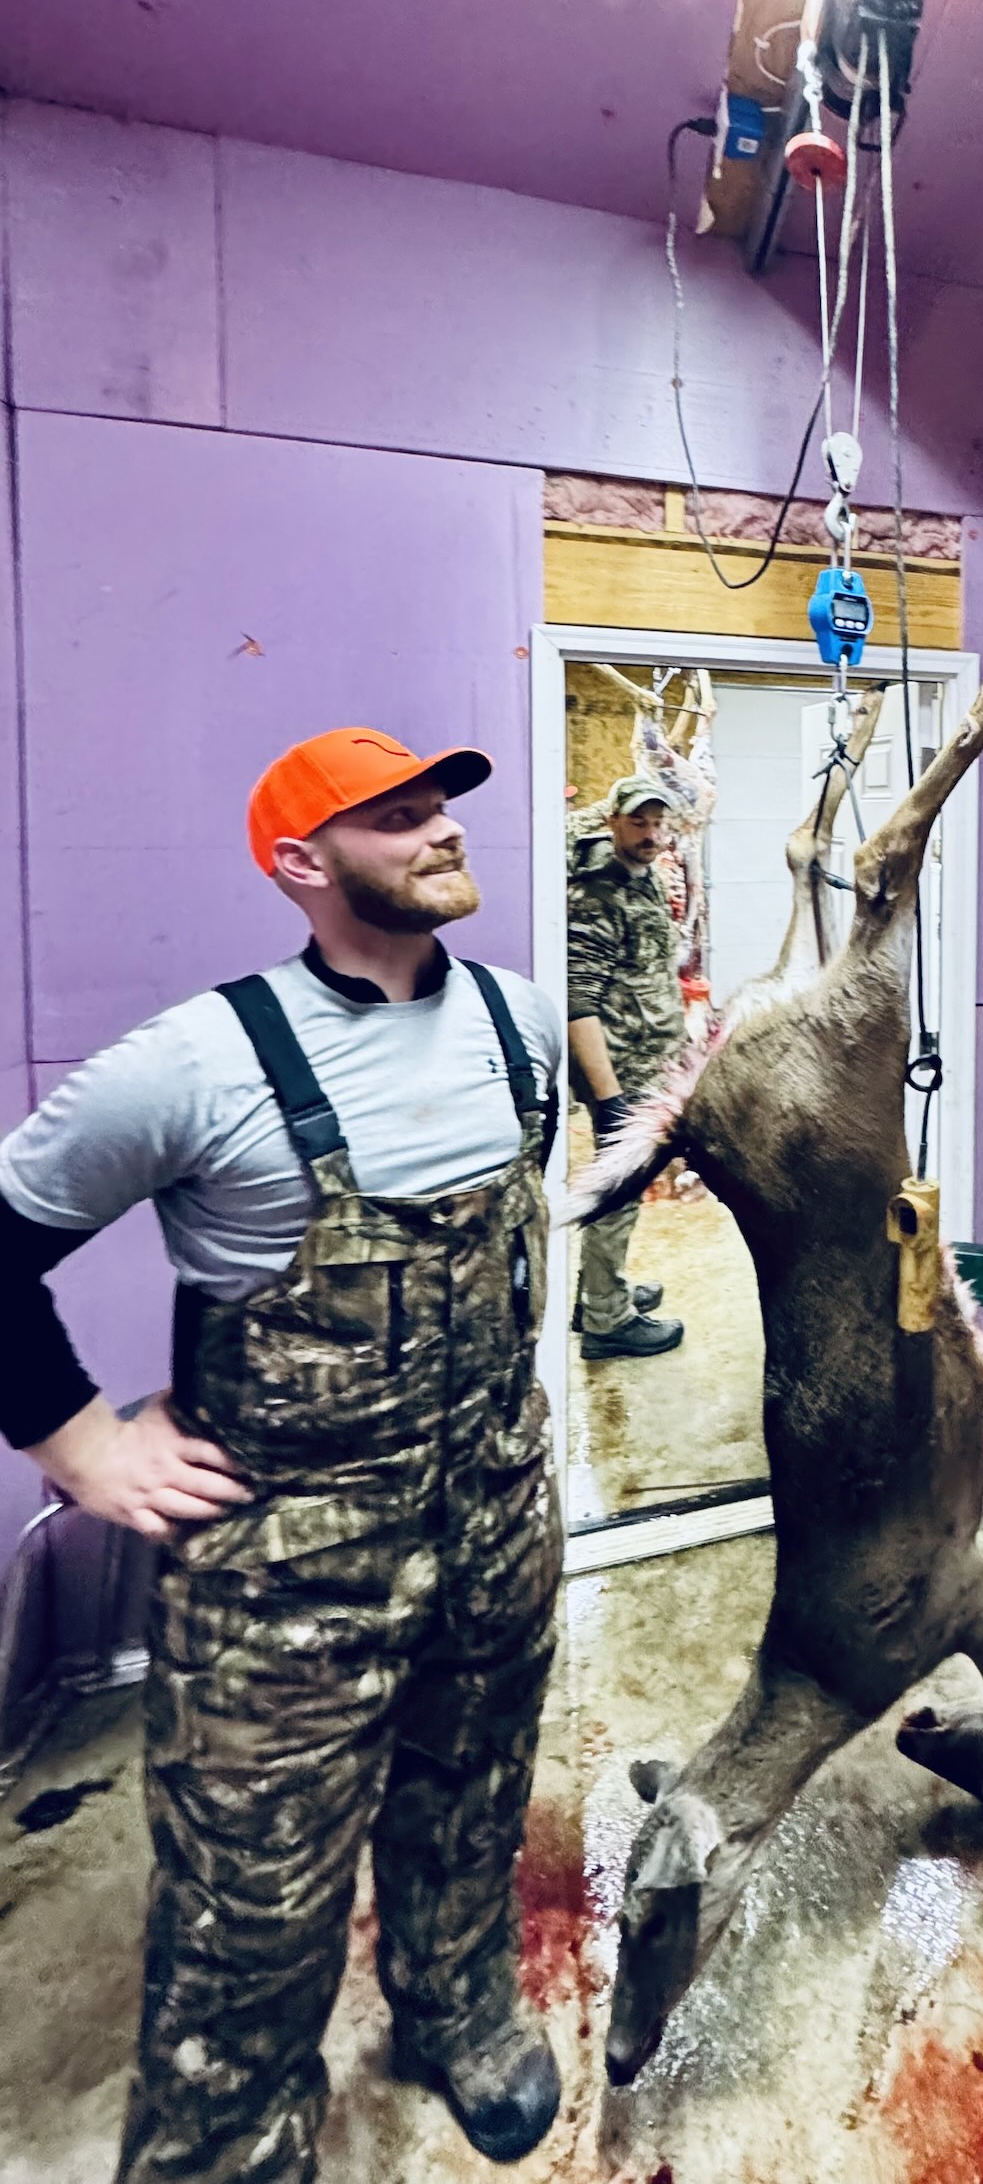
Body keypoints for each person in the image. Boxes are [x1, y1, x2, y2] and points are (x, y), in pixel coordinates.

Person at [0, 728, 568, 2179]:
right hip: (282, 1594)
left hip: (496, 1532)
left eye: (442, 803)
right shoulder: (200, 1058)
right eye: (394, 814)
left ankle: (456, 2009)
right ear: (300, 865)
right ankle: (239, 2148)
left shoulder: (522, 1021)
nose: (440, 828)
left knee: (474, 1796)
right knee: (249, 1911)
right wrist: (80, 1444)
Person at [565, 772, 691, 1361]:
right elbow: (577, 1000)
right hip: (622, 1068)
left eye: (658, 821)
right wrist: (610, 1097)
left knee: (626, 1188)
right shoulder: (598, 892)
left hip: (645, 1061)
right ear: (611, 820)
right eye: (638, 821)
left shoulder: (640, 878)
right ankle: (607, 1322)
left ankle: (599, 1292)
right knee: (621, 1188)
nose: (651, 832)